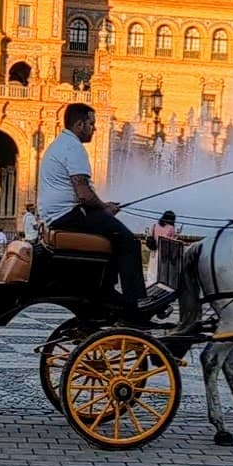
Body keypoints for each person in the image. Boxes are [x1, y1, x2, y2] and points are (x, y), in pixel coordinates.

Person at [38, 103, 173, 318]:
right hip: (67, 215)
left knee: (112, 237)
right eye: (92, 124)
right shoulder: (73, 148)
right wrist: (104, 208)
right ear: (79, 124)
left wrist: (103, 207)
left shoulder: (61, 144)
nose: (95, 129)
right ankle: (136, 302)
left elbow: (83, 193)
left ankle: (107, 291)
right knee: (128, 241)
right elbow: (83, 193)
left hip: (60, 215)